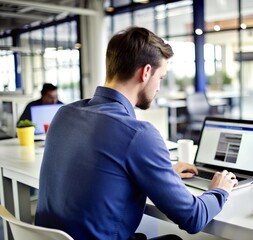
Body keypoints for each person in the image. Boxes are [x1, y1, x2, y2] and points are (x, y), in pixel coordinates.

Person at [35, 27, 238, 240]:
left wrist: (162, 173)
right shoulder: (137, 134)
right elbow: (193, 217)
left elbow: (102, 171)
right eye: (161, 77)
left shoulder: (64, 113)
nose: (159, 87)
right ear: (146, 72)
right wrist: (219, 190)